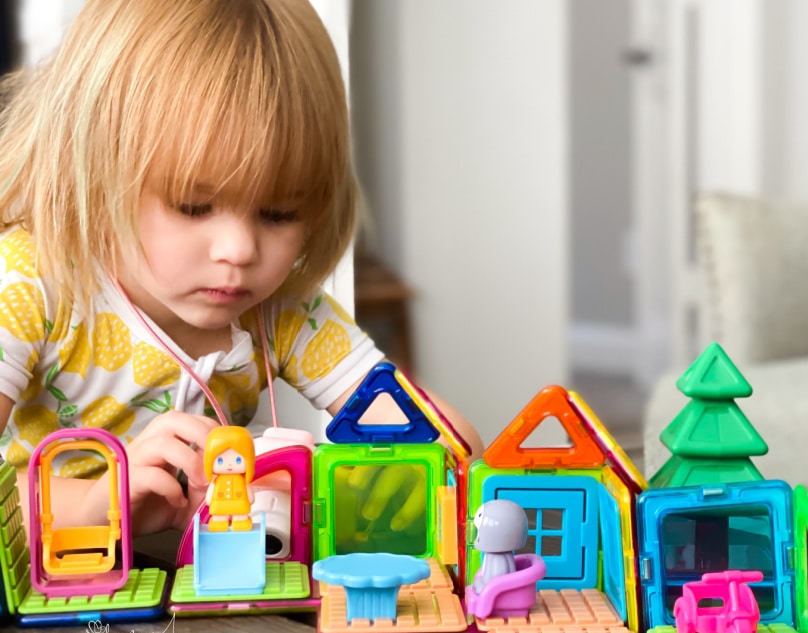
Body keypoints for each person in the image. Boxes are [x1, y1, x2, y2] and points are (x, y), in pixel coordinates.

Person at [0, 0, 482, 538]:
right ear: (92, 169)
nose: (239, 250)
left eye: (279, 213)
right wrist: (96, 502)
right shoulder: (30, 285)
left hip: (208, 595)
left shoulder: (279, 313)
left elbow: (454, 453)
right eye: (192, 205)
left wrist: (327, 480)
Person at [204, 426, 255, 532]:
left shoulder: (242, 480)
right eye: (220, 461)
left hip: (239, 503)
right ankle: (219, 521)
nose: (230, 465)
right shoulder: (216, 481)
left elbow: (250, 495)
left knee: (240, 515)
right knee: (220, 516)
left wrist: (250, 498)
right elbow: (209, 497)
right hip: (220, 504)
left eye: (238, 460)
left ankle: (240, 521)